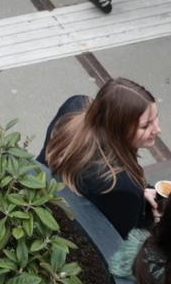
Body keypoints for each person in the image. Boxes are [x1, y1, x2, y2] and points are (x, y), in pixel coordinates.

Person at [43, 81, 162, 238]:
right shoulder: (121, 186)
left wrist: (140, 194)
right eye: (146, 125)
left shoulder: (74, 106)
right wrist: (152, 219)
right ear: (118, 129)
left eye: (156, 118)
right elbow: (120, 241)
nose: (158, 130)